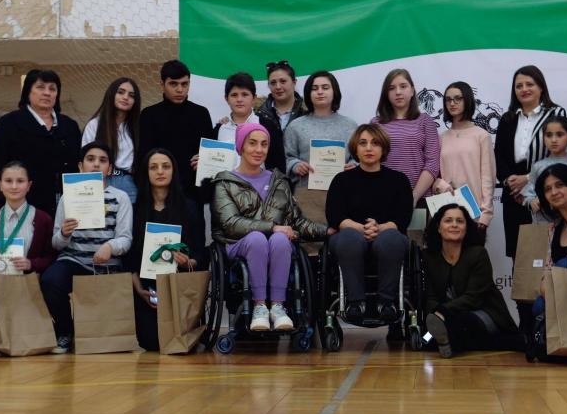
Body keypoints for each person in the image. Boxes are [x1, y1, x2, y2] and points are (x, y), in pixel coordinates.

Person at [212, 123, 327, 331]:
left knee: (281, 239)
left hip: (276, 245)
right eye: (252, 143)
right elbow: (230, 224)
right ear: (241, 147)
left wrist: (327, 231)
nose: (259, 149)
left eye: (264, 144)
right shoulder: (225, 182)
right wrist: (272, 227)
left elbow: (296, 221)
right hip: (238, 245)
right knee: (258, 238)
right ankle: (259, 307)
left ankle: (277, 306)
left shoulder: (279, 181)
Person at [493, 65, 566, 334]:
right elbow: (499, 156)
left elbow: (557, 152)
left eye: (529, 84)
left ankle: (551, 325)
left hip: (544, 197)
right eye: (519, 85)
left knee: (550, 257)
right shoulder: (507, 118)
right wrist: (511, 182)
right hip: (514, 199)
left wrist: (528, 178)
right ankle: (525, 328)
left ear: (541, 86)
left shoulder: (555, 113)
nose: (524, 89)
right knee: (521, 262)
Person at [41, 142, 133, 354]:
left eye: (102, 161)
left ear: (109, 169)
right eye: (90, 160)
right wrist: (64, 233)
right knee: (50, 280)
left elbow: (126, 239)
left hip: (106, 265)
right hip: (73, 261)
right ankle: (65, 331)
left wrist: (110, 246)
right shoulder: (68, 197)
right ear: (81, 167)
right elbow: (56, 243)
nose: (96, 165)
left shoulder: (120, 198)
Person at [326, 124, 413, 321]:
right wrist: (362, 228)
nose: (368, 148)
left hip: (388, 235)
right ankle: (356, 303)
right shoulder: (342, 180)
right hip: (349, 236)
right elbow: (335, 217)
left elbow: (402, 218)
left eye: (375, 143)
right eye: (362, 143)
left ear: (383, 148)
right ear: (355, 149)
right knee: (348, 237)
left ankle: (387, 303)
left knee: (391, 239)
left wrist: (380, 228)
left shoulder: (399, 180)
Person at [423, 204, 524, 358]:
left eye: (460, 221)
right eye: (448, 220)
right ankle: (444, 340)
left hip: (483, 313)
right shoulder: (429, 257)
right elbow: (430, 297)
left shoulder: (478, 254)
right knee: (425, 340)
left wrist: (443, 311)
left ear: (466, 228)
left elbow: (473, 298)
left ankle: (448, 342)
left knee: (460, 321)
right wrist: (436, 313)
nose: (454, 225)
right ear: (438, 227)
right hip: (444, 316)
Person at [129, 148, 205, 351]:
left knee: (178, 341)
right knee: (151, 342)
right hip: (146, 288)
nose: (160, 171)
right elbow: (129, 258)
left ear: (174, 171)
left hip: (180, 287)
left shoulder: (189, 207)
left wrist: (188, 261)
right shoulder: (136, 211)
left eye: (166, 166)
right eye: (153, 167)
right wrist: (139, 290)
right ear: (146, 173)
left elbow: (200, 253)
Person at [0, 161, 55, 334]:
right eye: (8, 181)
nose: (14, 186)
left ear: (29, 185)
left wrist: (31, 264)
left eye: (20, 181)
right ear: (0, 185)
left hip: (26, 288)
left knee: (30, 328)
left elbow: (52, 258)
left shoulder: (43, 219)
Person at [139, 60, 212, 263]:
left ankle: (191, 292)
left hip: (192, 195)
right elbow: (144, 158)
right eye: (174, 84)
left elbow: (211, 159)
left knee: (193, 250)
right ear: (162, 85)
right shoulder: (148, 116)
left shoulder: (201, 114)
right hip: (158, 196)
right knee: (157, 251)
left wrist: (204, 161)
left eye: (185, 84)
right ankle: (153, 293)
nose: (180, 89)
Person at [0, 69, 81, 217]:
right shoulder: (10, 123)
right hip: (22, 209)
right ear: (28, 91)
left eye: (52, 89)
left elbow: (79, 166)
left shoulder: (69, 125)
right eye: (40, 87)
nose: (47, 93)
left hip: (65, 210)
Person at [432, 81, 496, 231]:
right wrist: (440, 185)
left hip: (474, 213)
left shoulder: (481, 135)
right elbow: (433, 174)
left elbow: (488, 177)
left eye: (457, 98)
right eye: (448, 99)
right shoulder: (441, 138)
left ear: (467, 100)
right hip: (446, 210)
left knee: (473, 254)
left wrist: (486, 214)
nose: (452, 103)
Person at [372, 69, 440, 206]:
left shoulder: (425, 121)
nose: (398, 92)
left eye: (403, 86)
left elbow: (432, 164)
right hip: (382, 197)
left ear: (412, 90)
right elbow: (370, 160)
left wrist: (413, 196)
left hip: (419, 199)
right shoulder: (376, 123)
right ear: (386, 93)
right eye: (392, 88)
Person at [285, 70, 357, 188]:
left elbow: (359, 158)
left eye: (325, 87)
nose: (320, 92)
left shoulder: (351, 126)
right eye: (314, 88)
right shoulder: (295, 126)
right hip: (306, 194)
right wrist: (295, 165)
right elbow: (287, 158)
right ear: (308, 93)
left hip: (343, 192)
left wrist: (354, 165)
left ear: (334, 92)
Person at [82, 77, 142, 202]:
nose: (125, 97)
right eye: (120, 92)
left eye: (131, 95)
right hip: (98, 181)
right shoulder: (95, 124)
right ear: (111, 94)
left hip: (127, 182)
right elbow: (85, 158)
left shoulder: (137, 127)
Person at [213, 72, 283, 173]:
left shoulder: (268, 126)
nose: (239, 99)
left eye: (245, 94)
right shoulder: (219, 129)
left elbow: (278, 166)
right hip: (225, 187)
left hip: (260, 188)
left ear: (254, 98)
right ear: (226, 99)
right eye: (234, 95)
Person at [521, 115, 567, 222]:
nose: (554, 140)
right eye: (549, 135)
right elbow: (528, 192)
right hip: (544, 223)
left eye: (559, 135)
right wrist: (531, 201)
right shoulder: (538, 166)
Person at [257, 60, 307, 134]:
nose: (278, 87)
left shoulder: (307, 112)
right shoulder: (258, 115)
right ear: (268, 85)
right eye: (273, 83)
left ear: (294, 82)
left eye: (283, 81)